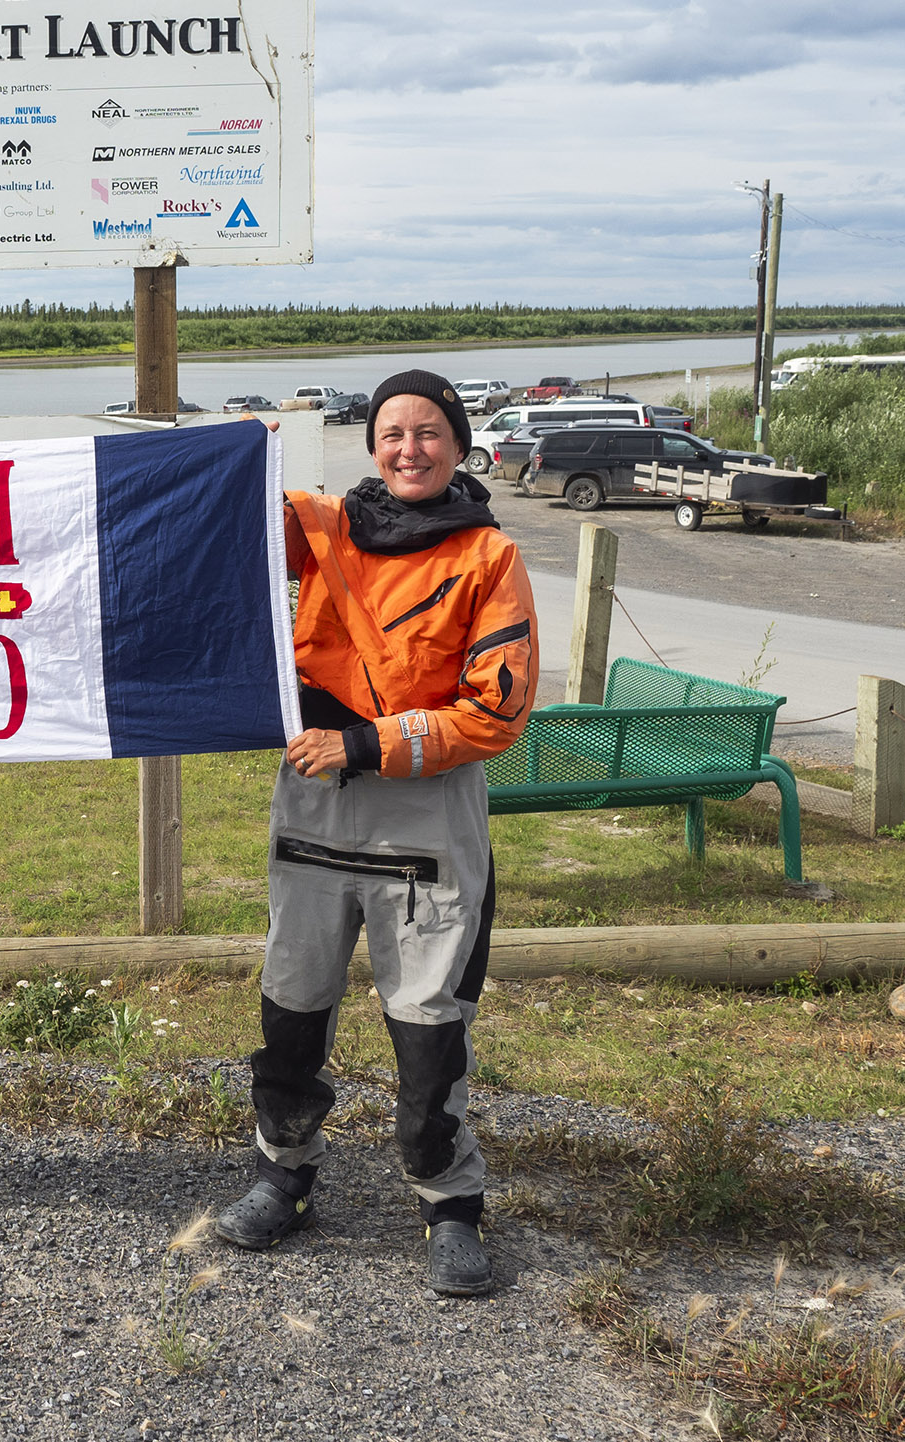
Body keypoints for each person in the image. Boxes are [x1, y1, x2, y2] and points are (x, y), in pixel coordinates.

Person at [213, 369, 538, 1296]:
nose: (409, 449)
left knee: (430, 1028)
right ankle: (283, 1175)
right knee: (290, 1009)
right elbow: (220, 527)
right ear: (371, 446)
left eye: (428, 431)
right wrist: (232, 454)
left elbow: (496, 713)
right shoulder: (321, 527)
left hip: (425, 820)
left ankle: (450, 1204)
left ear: (459, 445)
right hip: (314, 811)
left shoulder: (490, 559)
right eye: (392, 432)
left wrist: (362, 742)